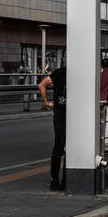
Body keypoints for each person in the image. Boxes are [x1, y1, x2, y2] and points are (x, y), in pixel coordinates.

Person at [38, 60, 67, 191]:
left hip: (60, 113)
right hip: (75, 115)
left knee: (59, 146)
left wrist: (46, 102)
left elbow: (42, 85)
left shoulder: (60, 72)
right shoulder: (81, 73)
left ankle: (54, 179)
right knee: (71, 148)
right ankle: (66, 179)